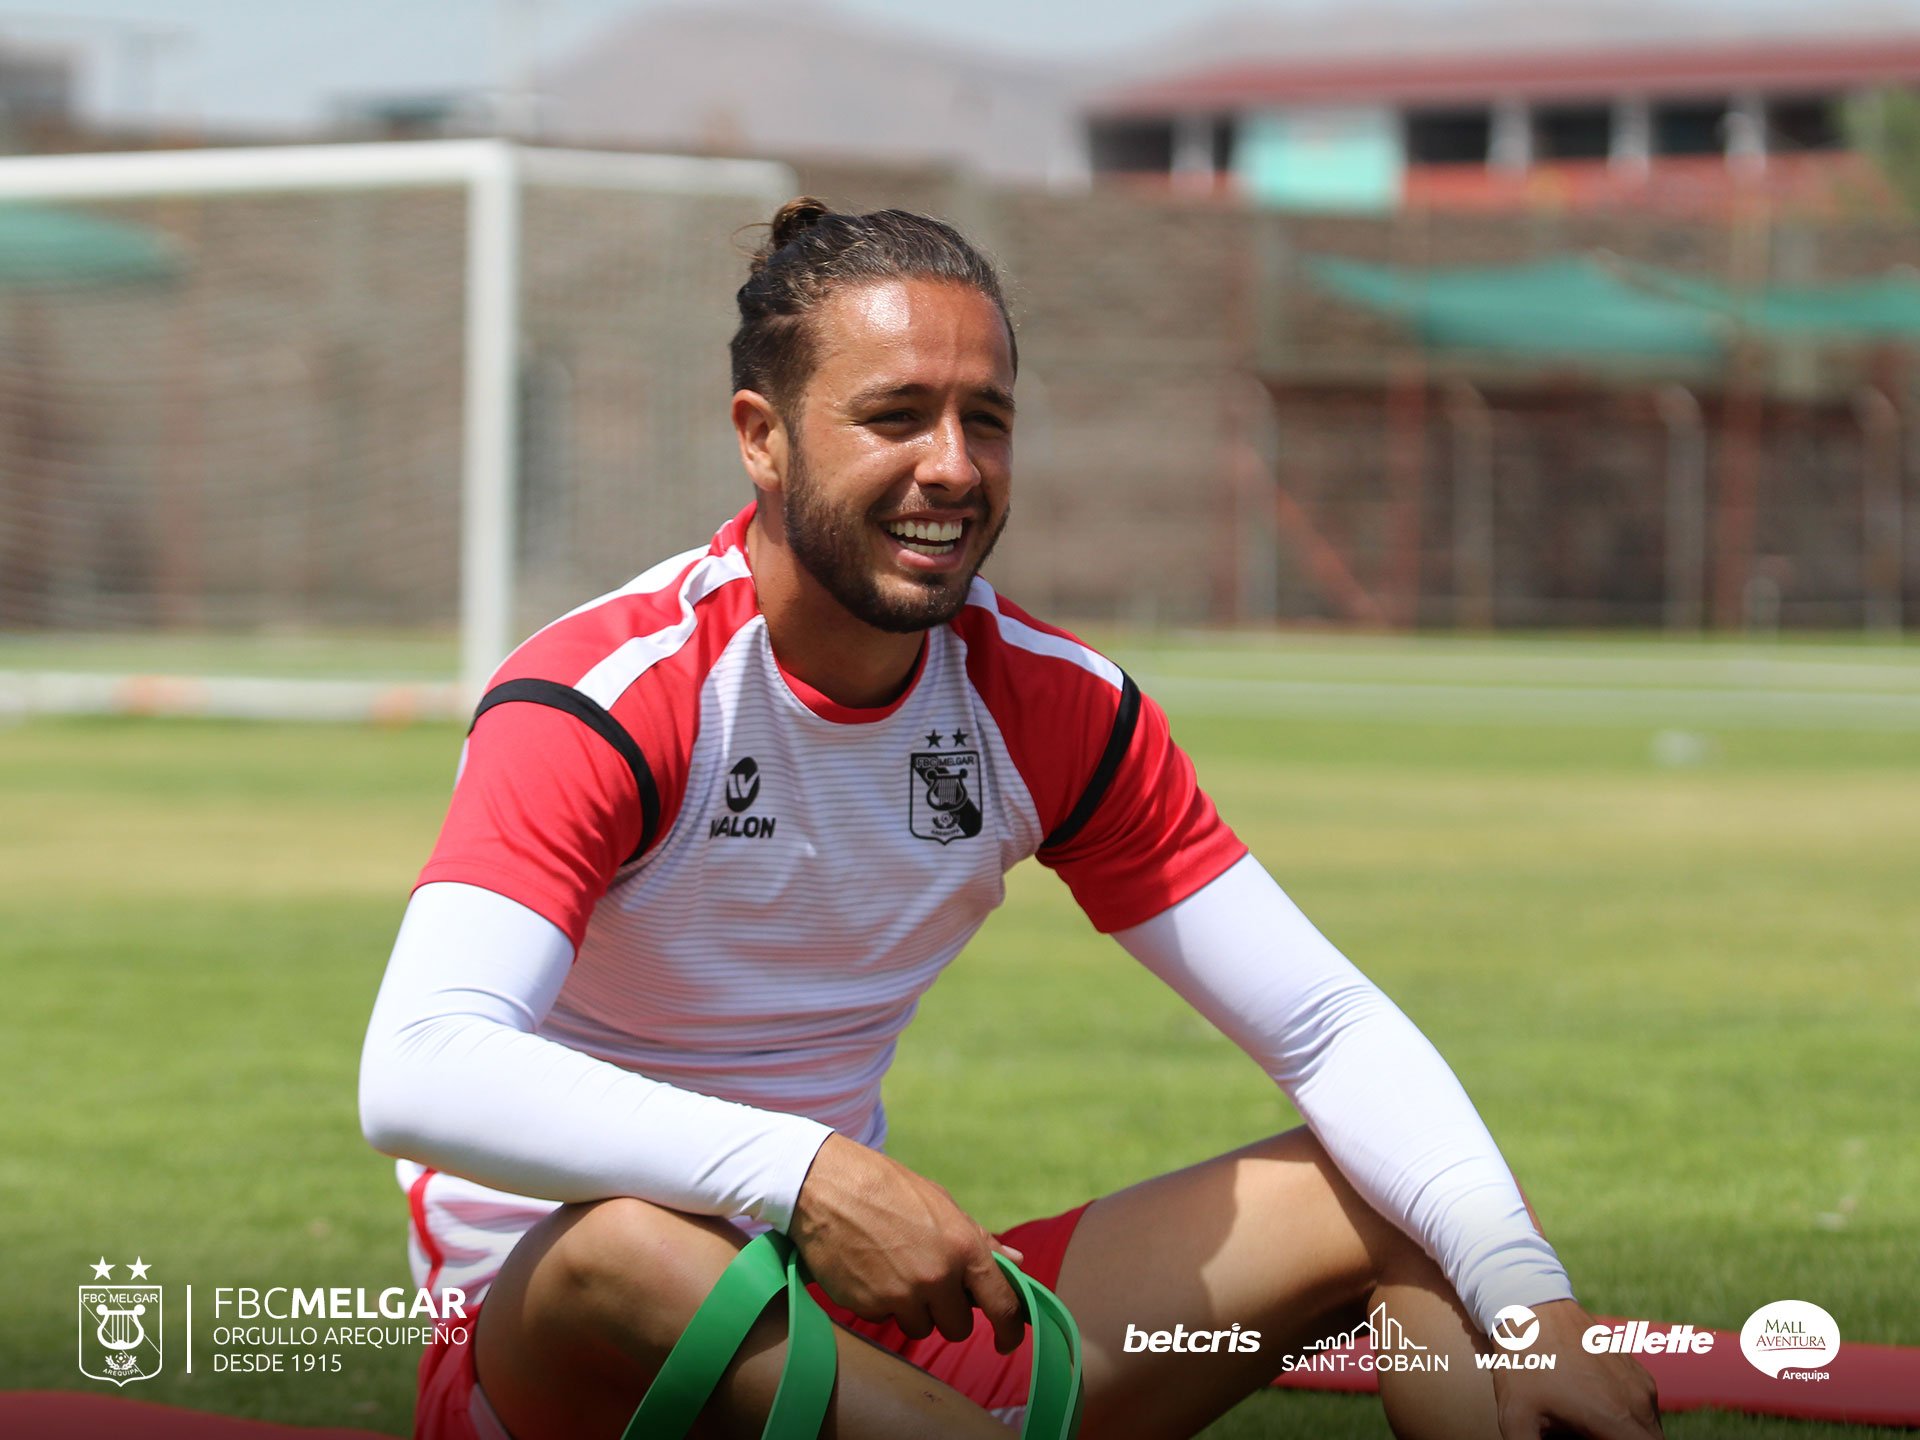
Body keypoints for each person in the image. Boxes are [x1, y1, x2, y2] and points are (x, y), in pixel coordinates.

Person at [359, 198, 1662, 1440]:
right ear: (761, 436)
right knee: (629, 1244)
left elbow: (1328, 1029)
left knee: (1394, 1199)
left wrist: (1531, 1310)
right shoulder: (608, 696)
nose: (953, 467)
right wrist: (807, 1176)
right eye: (895, 417)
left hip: (861, 1332)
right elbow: (419, 1063)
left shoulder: (1055, 706)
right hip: (562, 1370)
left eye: (987, 420)